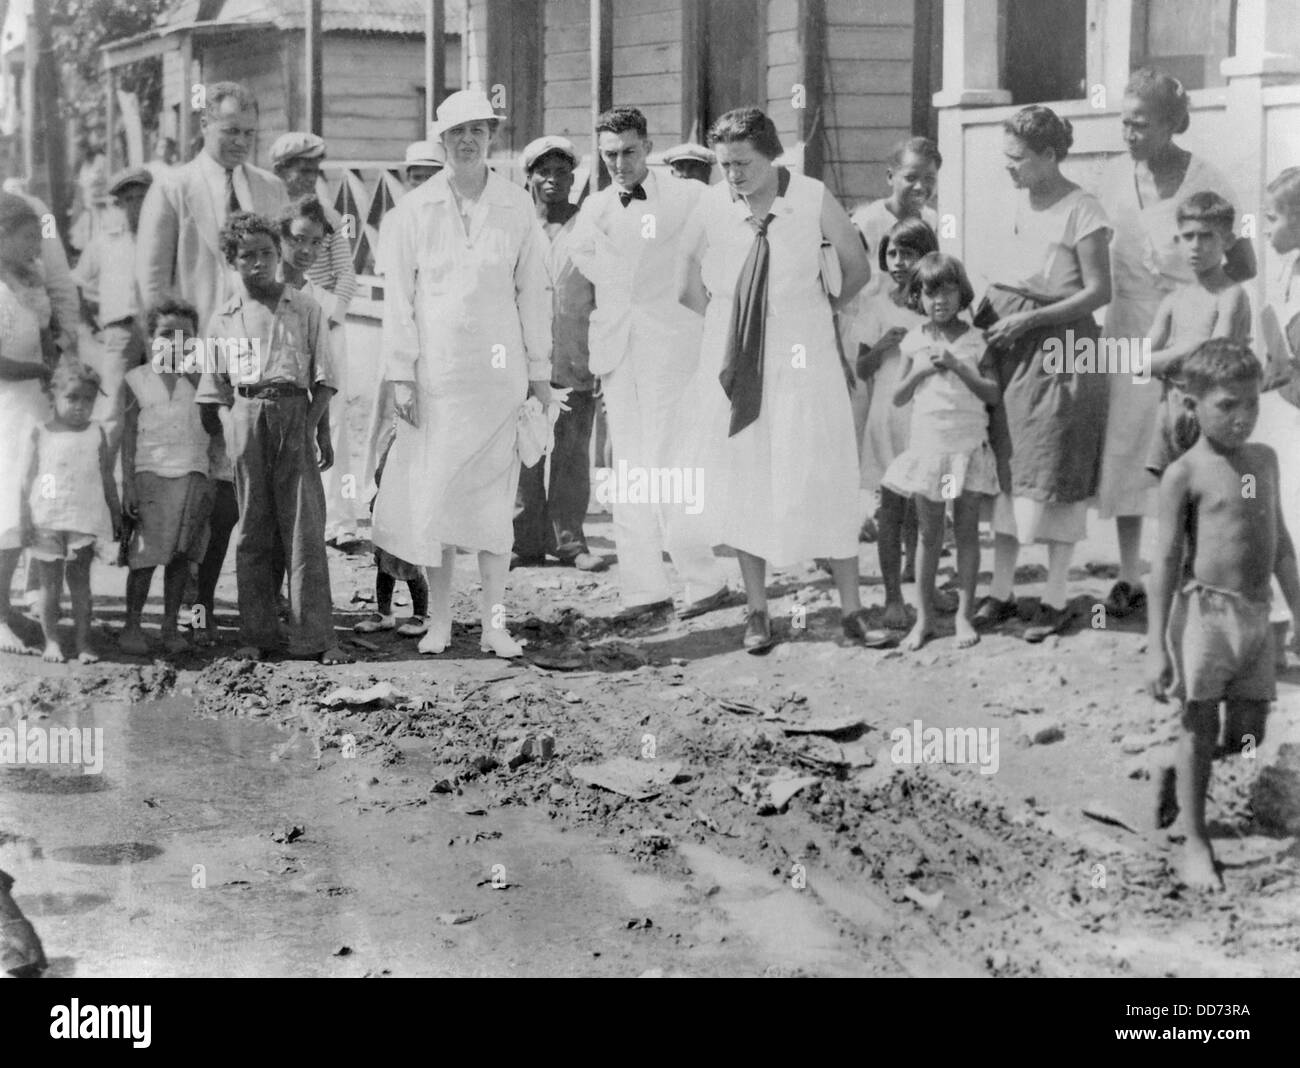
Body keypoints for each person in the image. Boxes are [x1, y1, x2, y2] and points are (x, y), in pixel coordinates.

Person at [676, 106, 872, 652]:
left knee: (825, 470)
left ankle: (852, 608)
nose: (732, 174)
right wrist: (731, 325)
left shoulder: (810, 196)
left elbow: (857, 269)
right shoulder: (713, 204)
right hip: (740, 360)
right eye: (724, 164)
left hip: (805, 355)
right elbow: (685, 285)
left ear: (771, 155)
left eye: (742, 163)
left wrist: (814, 312)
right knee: (747, 476)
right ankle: (758, 610)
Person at [372, 90, 553, 659]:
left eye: (480, 129)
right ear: (442, 139)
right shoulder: (412, 212)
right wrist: (401, 376)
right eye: (458, 132)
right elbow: (397, 303)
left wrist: (541, 373)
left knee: (495, 512)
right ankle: (442, 623)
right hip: (437, 380)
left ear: (492, 138)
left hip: (499, 383)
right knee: (439, 504)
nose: (469, 140)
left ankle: (495, 625)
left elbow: (535, 294)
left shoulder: (516, 207)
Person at [1094, 69, 1255, 618]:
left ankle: (1195, 569)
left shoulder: (1207, 179)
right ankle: (1127, 573)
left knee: (1189, 444)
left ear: (1171, 123)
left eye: (1141, 123)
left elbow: (1244, 261)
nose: (1129, 132)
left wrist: (1202, 306)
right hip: (1129, 327)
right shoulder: (1112, 177)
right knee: (1130, 447)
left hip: (1192, 327)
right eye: (1124, 121)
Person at [1145, 340, 1300, 890]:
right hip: (1206, 616)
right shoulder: (1184, 474)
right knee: (1199, 723)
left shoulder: (1265, 461)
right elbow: (1163, 561)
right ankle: (1195, 838)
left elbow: (1279, 542)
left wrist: (1298, 609)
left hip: (1258, 615)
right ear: (1192, 403)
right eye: (1227, 406)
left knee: (1249, 731)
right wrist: (1156, 644)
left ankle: (1178, 773)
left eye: (1251, 405)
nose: (1242, 419)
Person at [570, 105, 729, 622]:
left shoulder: (690, 196)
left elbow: (726, 248)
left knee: (670, 465)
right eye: (610, 154)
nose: (620, 163)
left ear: (648, 147)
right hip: (619, 352)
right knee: (629, 470)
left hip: (673, 350)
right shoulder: (593, 209)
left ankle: (704, 581)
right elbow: (597, 273)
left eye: (630, 152)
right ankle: (645, 591)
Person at [975, 105, 1112, 643]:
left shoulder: (1084, 209)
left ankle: (1055, 596)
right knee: (1008, 465)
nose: (1009, 168)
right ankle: (1002, 592)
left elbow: (1099, 291)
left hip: (1061, 350)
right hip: (1008, 346)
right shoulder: (1014, 203)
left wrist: (1032, 317)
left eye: (1018, 158)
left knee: (1055, 465)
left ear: (1050, 155)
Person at [195, 211, 348, 665]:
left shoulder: (304, 307)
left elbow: (325, 377)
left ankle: (315, 638)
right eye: (247, 256)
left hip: (295, 411)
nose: (259, 263)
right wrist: (230, 427)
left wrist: (315, 426)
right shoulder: (224, 316)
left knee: (304, 528)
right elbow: (214, 387)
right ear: (232, 261)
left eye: (266, 253)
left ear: (278, 254)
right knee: (254, 530)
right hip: (245, 415)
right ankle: (257, 634)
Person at [883, 253, 999, 651]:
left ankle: (964, 616)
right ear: (918, 297)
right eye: (930, 292)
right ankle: (925, 620)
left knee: (966, 533)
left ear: (961, 292)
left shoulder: (976, 341)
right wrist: (921, 371)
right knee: (929, 536)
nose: (939, 300)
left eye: (948, 290)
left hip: (966, 449)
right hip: (929, 451)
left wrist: (958, 366)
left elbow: (992, 393)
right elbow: (898, 397)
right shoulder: (914, 341)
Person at [513, 135, 605, 573]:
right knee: (526, 453)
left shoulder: (589, 226)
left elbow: (605, 294)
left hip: (575, 358)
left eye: (562, 171)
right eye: (543, 171)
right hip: (524, 360)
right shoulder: (516, 226)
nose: (553, 179)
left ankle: (570, 541)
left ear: (574, 177)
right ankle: (524, 541)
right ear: (528, 177)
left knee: (571, 455)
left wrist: (601, 356)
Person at [136, 82, 290, 343]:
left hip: (262, 344)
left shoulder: (272, 188)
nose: (241, 142)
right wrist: (172, 356)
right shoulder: (172, 188)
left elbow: (287, 268)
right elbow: (153, 283)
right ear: (205, 124)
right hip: (197, 344)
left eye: (249, 133)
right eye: (231, 131)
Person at [846, 136, 943, 538]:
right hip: (864, 331)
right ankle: (855, 515)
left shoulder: (932, 222)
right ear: (890, 177)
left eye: (930, 179)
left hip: (908, 334)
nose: (921, 187)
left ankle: (907, 515)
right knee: (858, 427)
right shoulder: (867, 222)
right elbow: (842, 281)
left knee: (902, 423)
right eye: (911, 178)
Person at [270, 132, 361, 545]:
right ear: (281, 171)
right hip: (276, 318)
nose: (307, 177)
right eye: (299, 169)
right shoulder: (268, 207)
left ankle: (339, 522)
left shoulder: (326, 212)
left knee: (332, 416)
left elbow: (346, 273)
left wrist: (330, 317)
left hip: (321, 313)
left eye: (313, 169)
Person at [853, 217, 938, 632]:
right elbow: (861, 367)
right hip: (889, 412)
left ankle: (926, 586)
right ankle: (891, 597)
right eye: (892, 253)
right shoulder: (877, 304)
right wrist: (885, 344)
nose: (900, 262)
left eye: (909, 253)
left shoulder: (939, 300)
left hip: (929, 413)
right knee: (891, 508)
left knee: (927, 507)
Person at [118, 300, 215, 657]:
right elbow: (126, 438)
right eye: (165, 334)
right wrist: (127, 484)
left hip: (192, 473)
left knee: (180, 556)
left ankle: (170, 626)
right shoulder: (136, 380)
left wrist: (199, 381)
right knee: (144, 558)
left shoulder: (203, 382)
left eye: (184, 336)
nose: (175, 342)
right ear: (150, 337)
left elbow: (218, 425)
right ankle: (131, 625)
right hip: (151, 477)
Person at [1142, 192, 1252, 479]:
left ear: (1227, 241)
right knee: (1171, 498)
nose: (1196, 246)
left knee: (1215, 498)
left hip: (1214, 413)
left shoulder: (1231, 295)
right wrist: (1191, 347)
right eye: (1188, 236)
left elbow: (1213, 362)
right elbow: (1137, 364)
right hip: (1171, 410)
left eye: (1206, 236)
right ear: (1178, 240)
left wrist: (1167, 361)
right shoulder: (1173, 300)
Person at [363, 139, 447, 496]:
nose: (424, 184)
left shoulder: (454, 221)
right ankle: (381, 495)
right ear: (406, 179)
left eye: (432, 176)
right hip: (402, 334)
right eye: (416, 177)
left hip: (443, 338)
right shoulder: (397, 219)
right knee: (394, 419)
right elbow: (394, 289)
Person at [21, 364, 120, 663]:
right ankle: (52, 641)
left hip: (84, 518)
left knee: (80, 585)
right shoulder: (42, 432)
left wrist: (115, 514)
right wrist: (26, 517)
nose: (80, 406)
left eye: (88, 400)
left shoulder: (96, 431)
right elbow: (30, 479)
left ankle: (83, 642)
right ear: (55, 396)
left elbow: (105, 476)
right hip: (47, 519)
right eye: (72, 398)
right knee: (49, 585)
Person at [0, 193, 57, 655]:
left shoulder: (30, 279)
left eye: (38, 236)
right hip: (7, 406)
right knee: (6, 511)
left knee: (27, 509)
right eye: (25, 237)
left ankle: (6, 603)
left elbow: (44, 339)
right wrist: (38, 372)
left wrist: (54, 366)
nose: (34, 245)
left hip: (35, 406)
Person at [72, 166, 153, 460]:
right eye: (129, 199)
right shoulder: (107, 240)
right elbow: (77, 281)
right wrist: (87, 322)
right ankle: (100, 477)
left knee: (166, 403)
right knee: (113, 407)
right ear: (118, 204)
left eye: (142, 197)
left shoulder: (166, 234)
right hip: (122, 329)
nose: (137, 205)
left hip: (163, 331)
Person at [1256, 167, 1300, 669]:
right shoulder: (1284, 268)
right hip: (1278, 411)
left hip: (1294, 414)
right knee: (1275, 520)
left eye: (1273, 218)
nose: (1264, 228)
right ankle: (1279, 625)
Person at [354, 433, 429, 638]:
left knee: (410, 567)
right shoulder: (395, 441)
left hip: (408, 513)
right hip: (388, 511)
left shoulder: (423, 448)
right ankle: (384, 612)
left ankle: (421, 614)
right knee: (383, 565)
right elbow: (381, 474)